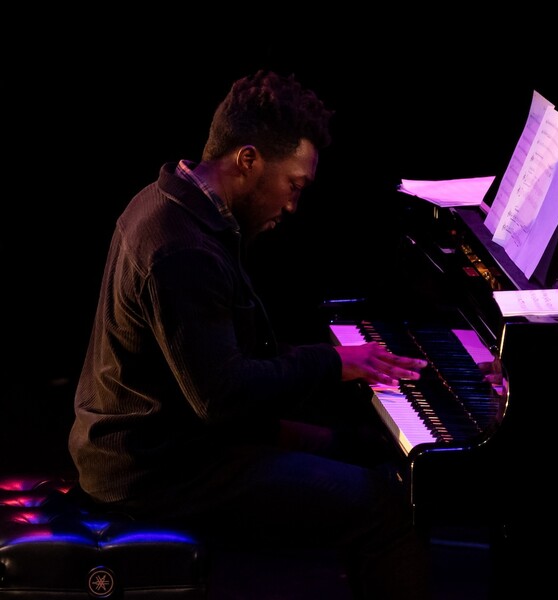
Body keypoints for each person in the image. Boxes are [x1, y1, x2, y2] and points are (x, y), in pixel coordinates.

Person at [68, 69, 432, 599]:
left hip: (173, 441)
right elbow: (224, 396)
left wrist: (336, 363)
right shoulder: (181, 249)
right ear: (247, 159)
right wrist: (332, 364)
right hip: (157, 471)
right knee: (388, 509)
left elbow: (224, 356)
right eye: (294, 185)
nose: (292, 206)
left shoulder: (171, 201)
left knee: (367, 449)